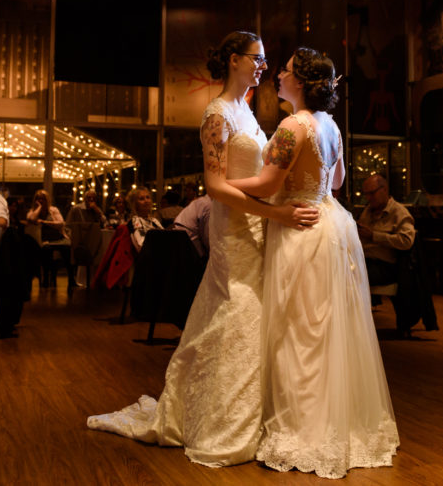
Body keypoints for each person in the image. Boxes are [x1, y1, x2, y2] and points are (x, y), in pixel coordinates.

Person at [88, 30, 320, 467]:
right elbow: (216, 188)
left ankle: (255, 415)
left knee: (254, 320)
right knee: (239, 314)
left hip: (260, 227)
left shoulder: (248, 112)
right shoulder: (217, 115)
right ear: (234, 60)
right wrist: (278, 215)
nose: (264, 66)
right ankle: (223, 420)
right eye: (257, 58)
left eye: (267, 59)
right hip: (235, 232)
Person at [228, 47, 399, 477]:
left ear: (299, 82)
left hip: (300, 230)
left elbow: (267, 185)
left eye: (284, 71)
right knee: (328, 330)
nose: (277, 76)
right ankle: (336, 421)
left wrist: (223, 183)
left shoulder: (292, 125)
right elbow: (337, 181)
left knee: (297, 330)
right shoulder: (331, 126)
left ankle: (303, 427)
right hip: (331, 225)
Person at [357, 174, 416, 289]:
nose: (369, 198)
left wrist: (374, 236)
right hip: (365, 261)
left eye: (372, 193)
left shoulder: (398, 212)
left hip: (385, 266)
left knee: (350, 276)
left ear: (384, 190)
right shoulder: (367, 211)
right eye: (366, 194)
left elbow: (407, 241)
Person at [173, 193, 211, 259]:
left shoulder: (201, 201)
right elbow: (208, 239)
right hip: (189, 248)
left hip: (179, 244)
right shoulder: (208, 204)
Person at [127, 186, 163, 252]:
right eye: (141, 199)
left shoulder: (154, 221)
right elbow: (142, 245)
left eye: (148, 197)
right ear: (135, 204)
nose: (146, 201)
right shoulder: (135, 221)